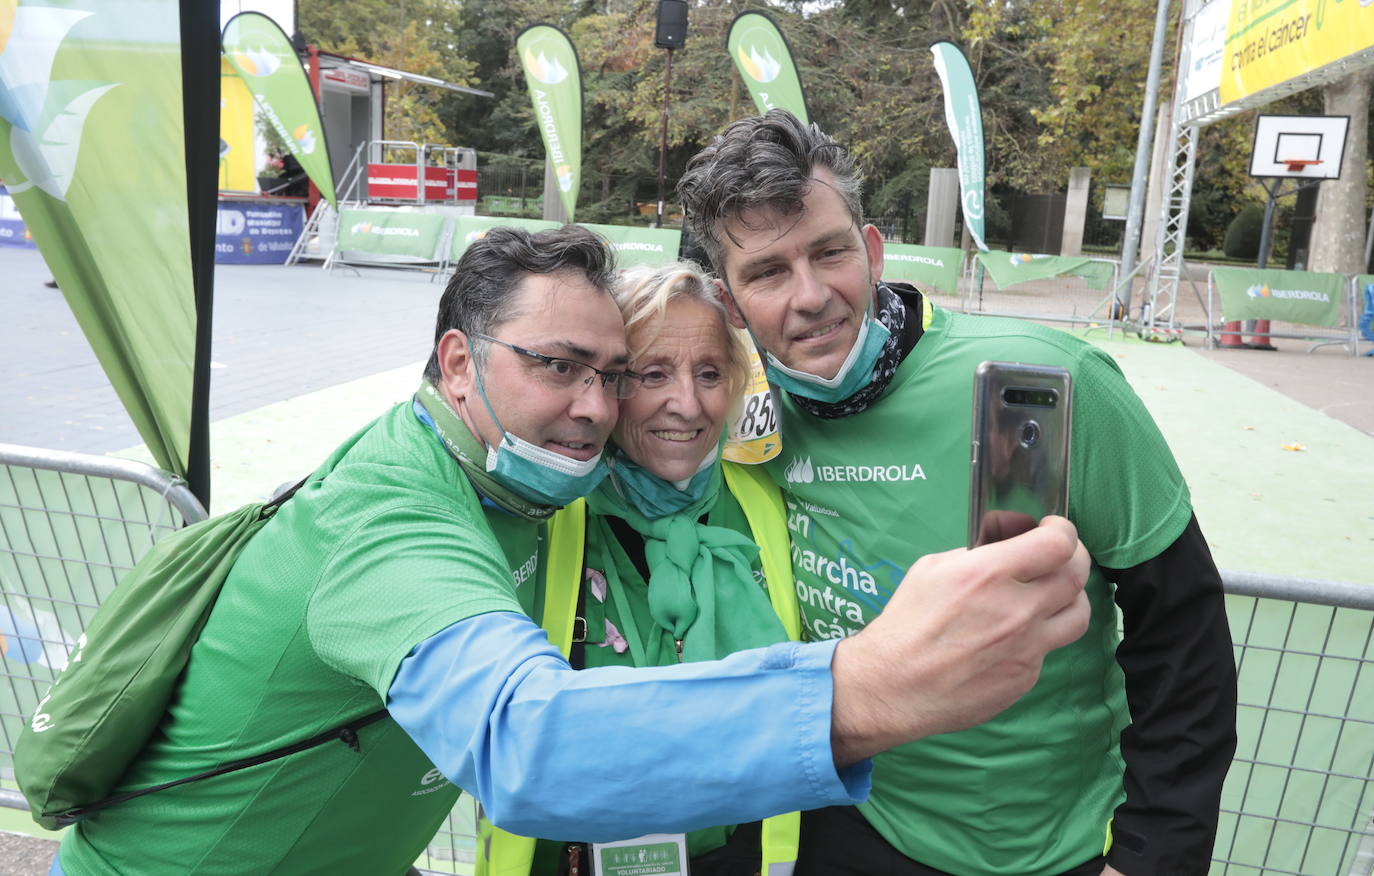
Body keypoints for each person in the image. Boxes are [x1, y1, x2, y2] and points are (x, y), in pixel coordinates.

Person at [53, 225, 1092, 875]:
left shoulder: (523, 481)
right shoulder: (389, 518)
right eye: (560, 366)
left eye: (610, 371)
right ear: (458, 363)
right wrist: (860, 691)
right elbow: (525, 739)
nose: (596, 410)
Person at [677, 110, 1238, 876]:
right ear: (731, 302)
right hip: (846, 818)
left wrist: (1152, 855)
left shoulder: (1046, 379)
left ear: (871, 251)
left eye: (830, 252)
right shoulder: (732, 408)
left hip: (1044, 850)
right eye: (768, 272)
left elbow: (1182, 634)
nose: (809, 296)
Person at [513, 262, 804, 875]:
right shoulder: (547, 510)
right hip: (573, 853)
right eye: (652, 374)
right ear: (610, 384)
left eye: (708, 373)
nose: (687, 404)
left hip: (740, 847)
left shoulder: (765, 503)